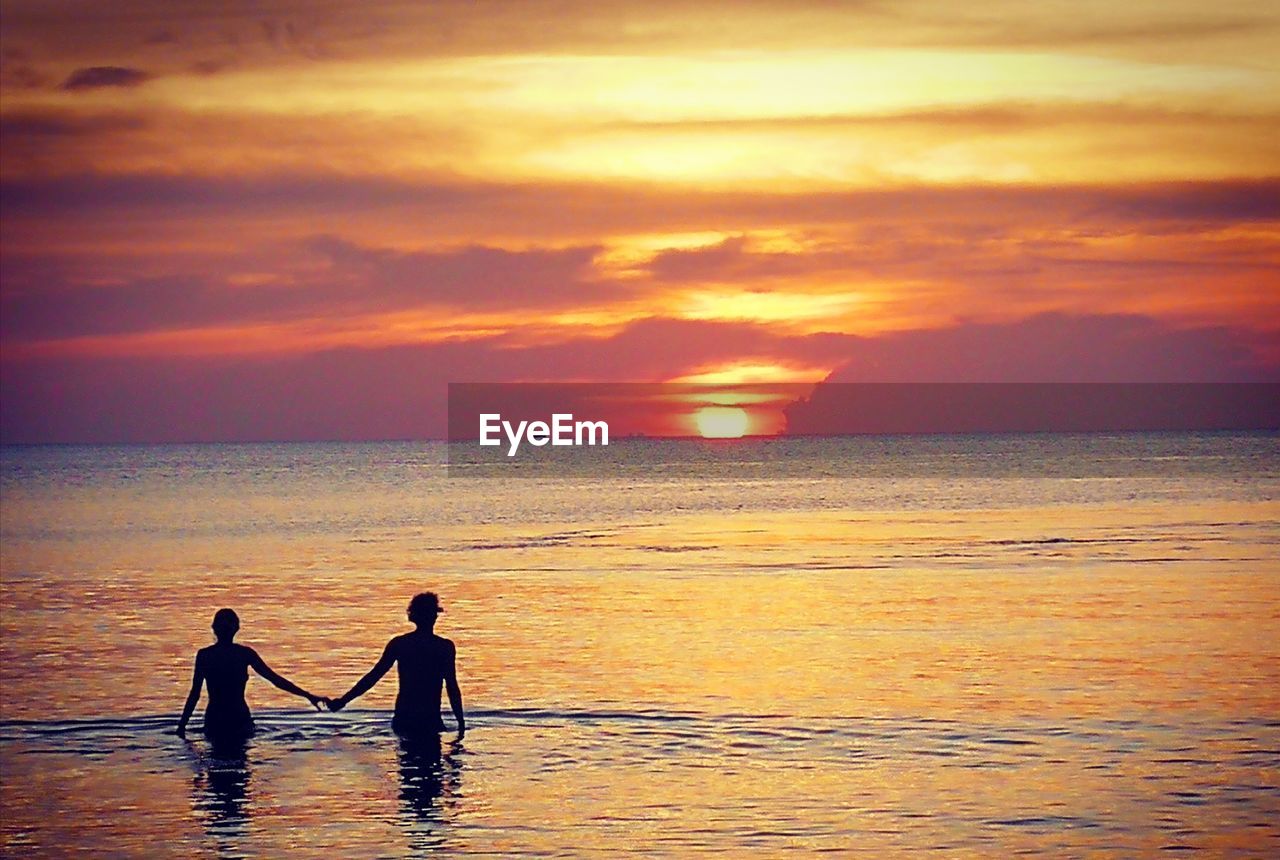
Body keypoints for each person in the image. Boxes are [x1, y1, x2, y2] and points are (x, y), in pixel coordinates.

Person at [328, 592, 465, 738]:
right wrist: (461, 722)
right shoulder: (444, 647)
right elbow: (452, 686)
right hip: (430, 720)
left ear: (413, 616)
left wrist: (343, 701)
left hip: (405, 719)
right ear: (434, 616)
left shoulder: (400, 644)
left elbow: (373, 677)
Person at [176, 608, 325, 739]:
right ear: (237, 628)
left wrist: (182, 726)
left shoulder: (205, 655)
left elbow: (195, 694)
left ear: (214, 628)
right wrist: (308, 695)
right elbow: (275, 680)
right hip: (239, 718)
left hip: (215, 720)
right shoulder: (244, 654)